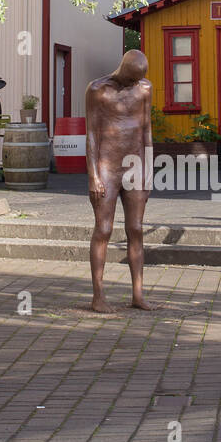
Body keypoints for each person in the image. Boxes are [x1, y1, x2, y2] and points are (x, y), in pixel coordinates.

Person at [85, 50, 153, 313]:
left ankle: (138, 294)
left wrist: (148, 171)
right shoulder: (97, 90)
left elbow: (147, 131)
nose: (135, 84)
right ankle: (98, 296)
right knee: (103, 229)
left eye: (139, 80)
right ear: (123, 70)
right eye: (132, 79)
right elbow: (92, 134)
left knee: (136, 228)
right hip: (106, 168)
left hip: (135, 166)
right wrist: (93, 176)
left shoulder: (145, 89)